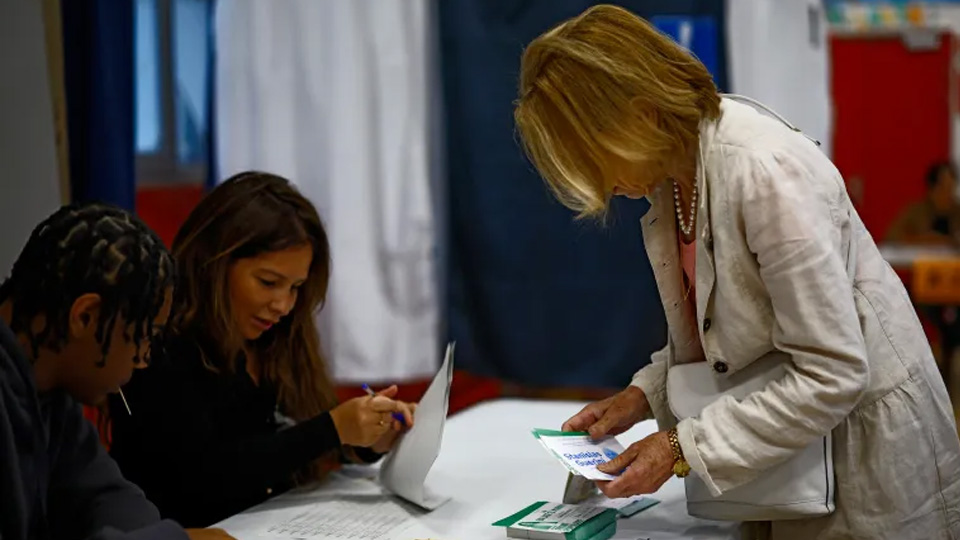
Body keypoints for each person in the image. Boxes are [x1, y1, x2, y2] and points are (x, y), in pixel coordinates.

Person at [513, 5, 960, 540]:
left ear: (642, 115)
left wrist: (680, 448)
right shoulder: (671, 180)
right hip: (788, 457)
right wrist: (645, 398)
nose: (596, 184)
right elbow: (730, 335)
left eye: (592, 159)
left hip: (862, 460)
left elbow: (833, 373)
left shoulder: (764, 172)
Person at [108, 172, 416, 528]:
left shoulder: (274, 338)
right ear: (215, 264)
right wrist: (331, 429)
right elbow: (204, 476)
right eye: (268, 283)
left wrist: (365, 439)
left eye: (296, 287)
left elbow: (286, 436)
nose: (283, 305)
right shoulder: (161, 346)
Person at [0, 203, 233, 540]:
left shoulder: (51, 391)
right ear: (85, 317)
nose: (143, 360)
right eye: (144, 336)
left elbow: (108, 495)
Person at [887, 161, 960, 244]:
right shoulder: (915, 211)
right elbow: (891, 237)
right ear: (931, 189)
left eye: (951, 188)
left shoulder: (957, 211)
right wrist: (924, 239)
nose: (948, 194)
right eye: (943, 188)